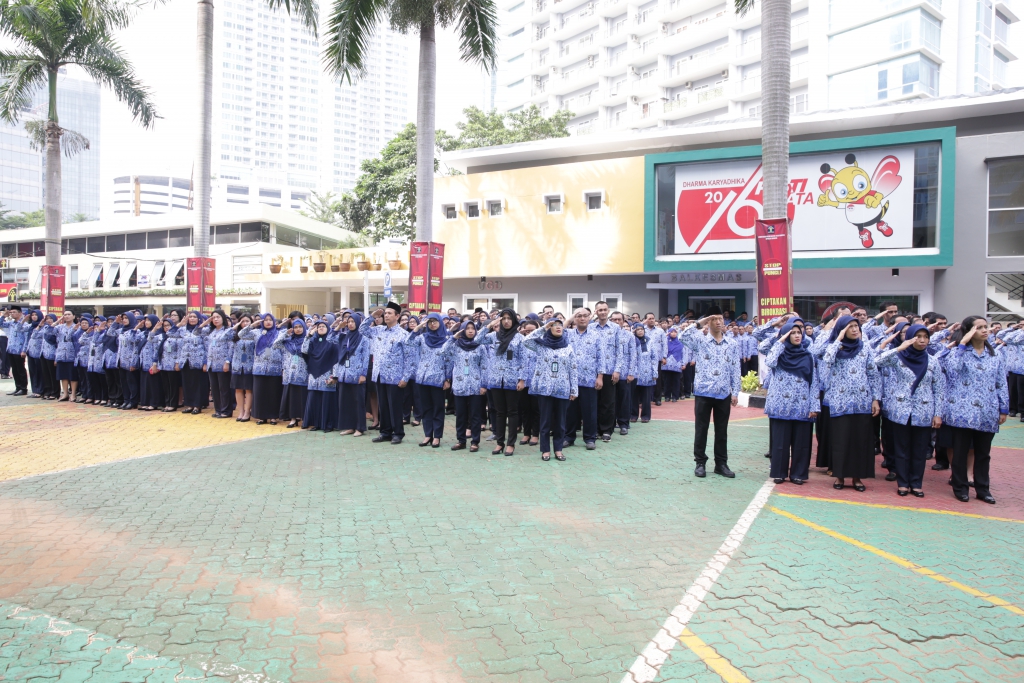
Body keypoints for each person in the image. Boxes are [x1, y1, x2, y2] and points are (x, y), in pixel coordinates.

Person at [875, 324, 945, 497]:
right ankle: (903, 483)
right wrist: (899, 348)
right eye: (918, 336)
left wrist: (938, 414)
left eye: (925, 337)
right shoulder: (898, 357)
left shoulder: (932, 361)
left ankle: (916, 483)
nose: (922, 340)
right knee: (902, 449)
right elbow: (877, 361)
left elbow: (939, 389)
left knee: (919, 450)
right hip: (901, 410)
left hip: (923, 411)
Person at [945, 316, 1007, 504]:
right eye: (979, 327)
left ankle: (983, 489)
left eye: (985, 327)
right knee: (960, 452)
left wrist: (1003, 408)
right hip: (962, 411)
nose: (985, 330)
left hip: (987, 411)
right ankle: (960, 487)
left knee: (983, 453)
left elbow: (1001, 382)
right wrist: (962, 345)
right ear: (969, 331)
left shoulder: (995, 355)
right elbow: (952, 370)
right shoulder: (958, 352)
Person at [820, 315, 881, 491]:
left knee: (860, 441)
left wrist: (875, 399)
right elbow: (827, 360)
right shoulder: (834, 347)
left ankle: (857, 477)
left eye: (856, 326)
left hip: (862, 402)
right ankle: (839, 476)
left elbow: (873, 374)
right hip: (840, 402)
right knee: (841, 440)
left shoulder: (865, 347)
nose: (855, 330)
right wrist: (838, 339)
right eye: (850, 327)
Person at [679, 310, 741, 478]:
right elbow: (682, 336)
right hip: (703, 392)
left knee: (722, 430)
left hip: (723, 392)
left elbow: (735, 368)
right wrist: (702, 320)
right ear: (708, 322)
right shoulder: (701, 341)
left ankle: (721, 464)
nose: (719, 322)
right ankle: (700, 462)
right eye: (714, 319)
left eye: (720, 319)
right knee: (701, 429)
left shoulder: (732, 344)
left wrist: (735, 392)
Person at [763, 319, 819, 485]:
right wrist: (780, 340)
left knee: (801, 443)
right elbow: (769, 361)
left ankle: (798, 474)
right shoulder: (778, 354)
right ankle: (779, 473)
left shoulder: (808, 356)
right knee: (780, 443)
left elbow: (814, 382)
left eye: (798, 333)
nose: (796, 336)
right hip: (780, 406)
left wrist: (814, 406)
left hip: (802, 405)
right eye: (792, 333)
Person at [523, 318, 579, 461]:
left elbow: (573, 369)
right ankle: (545, 450)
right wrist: (543, 328)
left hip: (562, 388)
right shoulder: (541, 346)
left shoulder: (568, 347)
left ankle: (558, 450)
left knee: (560, 422)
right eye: (554, 325)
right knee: (545, 421)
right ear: (549, 328)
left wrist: (574, 389)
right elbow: (526, 341)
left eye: (560, 325)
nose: (558, 327)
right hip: (545, 389)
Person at [362, 302, 413, 445]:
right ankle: (385, 432)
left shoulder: (403, 334)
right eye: (385, 313)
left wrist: (406, 377)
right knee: (383, 406)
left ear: (397, 316)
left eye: (390, 313)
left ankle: (398, 433)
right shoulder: (378, 330)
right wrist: (372, 317)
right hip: (379, 374)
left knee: (394, 406)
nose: (386, 315)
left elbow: (410, 358)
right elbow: (362, 330)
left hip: (395, 376)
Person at [479, 308, 527, 456]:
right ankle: (500, 442)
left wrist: (522, 379)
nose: (506, 321)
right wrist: (489, 325)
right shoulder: (494, 336)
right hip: (495, 380)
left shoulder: (519, 338)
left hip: (512, 380)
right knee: (499, 412)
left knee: (512, 412)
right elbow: (477, 340)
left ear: (514, 320)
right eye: (503, 318)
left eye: (509, 318)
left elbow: (524, 360)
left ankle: (510, 444)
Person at [406, 313, 451, 447]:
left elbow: (449, 360)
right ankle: (427, 435)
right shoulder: (422, 337)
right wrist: (418, 328)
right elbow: (408, 342)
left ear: (440, 323)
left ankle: (437, 436)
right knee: (426, 408)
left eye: (435, 321)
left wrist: (448, 378)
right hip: (423, 378)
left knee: (438, 408)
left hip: (438, 378)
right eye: (430, 322)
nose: (432, 324)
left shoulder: (446, 340)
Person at [565, 308, 603, 450]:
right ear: (574, 319)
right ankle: (568, 437)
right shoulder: (567, 334)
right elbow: (554, 330)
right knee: (570, 411)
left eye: (585, 316)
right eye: (579, 316)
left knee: (590, 411)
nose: (582, 318)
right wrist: (569, 318)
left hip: (589, 379)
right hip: (570, 380)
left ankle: (590, 438)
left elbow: (601, 357)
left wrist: (600, 377)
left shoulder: (596, 335)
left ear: (589, 318)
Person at [445, 321, 487, 452]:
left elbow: (485, 366)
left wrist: (484, 385)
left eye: (472, 328)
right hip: (459, 385)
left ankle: (475, 441)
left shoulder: (480, 346)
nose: (470, 331)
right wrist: (453, 337)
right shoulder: (456, 346)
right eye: (467, 328)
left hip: (475, 385)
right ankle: (461, 441)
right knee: (460, 415)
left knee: (475, 415)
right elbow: (443, 351)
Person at [242, 314, 284, 425]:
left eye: (270, 320)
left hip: (275, 368)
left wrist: (283, 368)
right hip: (259, 368)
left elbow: (283, 351)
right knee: (260, 394)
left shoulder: (279, 333)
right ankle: (261, 417)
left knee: (273, 393)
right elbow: (241, 335)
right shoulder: (256, 332)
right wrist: (252, 325)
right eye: (265, 320)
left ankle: (273, 417)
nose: (268, 322)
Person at [591, 301, 623, 442]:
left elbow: (619, 351)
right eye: (600, 310)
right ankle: (595, 429)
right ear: (596, 312)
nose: (603, 312)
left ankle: (606, 430)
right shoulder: (591, 327)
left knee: (608, 402)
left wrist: (617, 370)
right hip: (593, 371)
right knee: (594, 402)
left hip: (610, 370)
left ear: (608, 311)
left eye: (605, 309)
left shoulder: (615, 328)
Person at [335, 312, 370, 436]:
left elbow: (366, 357)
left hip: (357, 374)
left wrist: (363, 374)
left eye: (353, 321)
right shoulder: (343, 336)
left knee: (358, 402)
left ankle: (359, 427)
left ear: (358, 323)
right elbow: (329, 339)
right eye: (348, 322)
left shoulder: (363, 338)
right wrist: (338, 327)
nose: (350, 324)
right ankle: (349, 426)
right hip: (344, 374)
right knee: (345, 401)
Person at [303, 319, 340, 432]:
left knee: (327, 400)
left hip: (327, 374)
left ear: (328, 328)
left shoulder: (332, 341)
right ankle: (316, 423)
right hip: (314, 374)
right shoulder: (313, 341)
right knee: (315, 399)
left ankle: (328, 424)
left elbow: (336, 359)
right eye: (319, 327)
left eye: (323, 326)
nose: (321, 328)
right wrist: (309, 336)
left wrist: (334, 376)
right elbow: (304, 350)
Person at [275, 318, 309, 428]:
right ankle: (293, 419)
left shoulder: (307, 340)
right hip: (290, 373)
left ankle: (304, 418)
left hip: (303, 373)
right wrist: (285, 333)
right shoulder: (288, 341)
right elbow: (276, 344)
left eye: (300, 327)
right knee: (292, 397)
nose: (298, 329)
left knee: (303, 396)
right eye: (295, 327)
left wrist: (308, 336)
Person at [205, 309, 236, 418]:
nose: (215, 319)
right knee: (215, 389)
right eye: (213, 317)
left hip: (223, 364)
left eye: (218, 317)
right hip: (211, 364)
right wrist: (205, 323)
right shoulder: (211, 331)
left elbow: (231, 347)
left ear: (223, 318)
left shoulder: (228, 331)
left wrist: (227, 362)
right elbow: (197, 332)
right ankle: (218, 409)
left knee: (224, 389)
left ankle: (226, 411)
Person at [176, 311, 208, 414]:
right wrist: (180, 324)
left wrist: (205, 362)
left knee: (197, 384)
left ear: (198, 319)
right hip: (185, 360)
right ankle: (189, 405)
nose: (192, 318)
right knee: (187, 383)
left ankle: (197, 405)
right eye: (190, 317)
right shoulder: (182, 330)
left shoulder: (202, 330)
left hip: (198, 361)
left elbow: (207, 347)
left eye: (194, 317)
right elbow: (170, 333)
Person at [517, 317, 541, 445]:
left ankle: (535, 434)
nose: (530, 333)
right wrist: (519, 334)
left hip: (537, 381)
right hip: (523, 381)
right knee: (525, 409)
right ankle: (526, 434)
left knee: (536, 409)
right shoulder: (520, 343)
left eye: (533, 331)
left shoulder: (541, 343)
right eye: (527, 331)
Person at [630, 323, 658, 422]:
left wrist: (655, 372)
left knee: (646, 397)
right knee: (634, 395)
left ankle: (645, 416)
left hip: (647, 372)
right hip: (635, 372)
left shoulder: (650, 341)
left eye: (642, 329)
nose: (640, 331)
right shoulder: (632, 341)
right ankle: (633, 415)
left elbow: (654, 357)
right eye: (638, 329)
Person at [230, 314, 256, 422]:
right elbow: (225, 338)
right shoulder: (235, 335)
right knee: (238, 389)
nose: (245, 323)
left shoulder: (254, 334)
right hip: (237, 365)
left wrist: (250, 327)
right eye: (243, 321)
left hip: (250, 365)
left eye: (247, 321)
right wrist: (235, 326)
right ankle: (240, 411)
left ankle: (247, 412)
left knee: (249, 389)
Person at [151, 317, 180, 412]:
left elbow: (179, 351)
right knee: (166, 386)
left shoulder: (176, 336)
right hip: (163, 364)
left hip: (172, 364)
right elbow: (150, 339)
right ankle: (167, 403)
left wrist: (177, 362)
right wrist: (155, 328)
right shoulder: (161, 336)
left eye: (168, 325)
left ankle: (173, 404)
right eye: (164, 326)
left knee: (173, 386)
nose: (166, 327)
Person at [1, 307, 29, 395]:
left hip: (19, 350)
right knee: (14, 370)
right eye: (11, 312)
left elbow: (26, 338)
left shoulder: (24, 324)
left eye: (14, 312)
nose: (12, 314)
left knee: (20, 369)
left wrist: (24, 350)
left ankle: (23, 388)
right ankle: (18, 387)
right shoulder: (11, 323)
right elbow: (1, 324)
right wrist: (3, 316)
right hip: (11, 349)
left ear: (20, 313)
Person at [661, 327, 685, 401]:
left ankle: (675, 396)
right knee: (667, 381)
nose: (674, 333)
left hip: (677, 364)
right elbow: (659, 346)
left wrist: (683, 363)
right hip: (667, 364)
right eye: (672, 332)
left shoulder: (680, 343)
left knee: (676, 381)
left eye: (675, 332)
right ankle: (667, 396)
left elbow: (683, 353)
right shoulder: (665, 342)